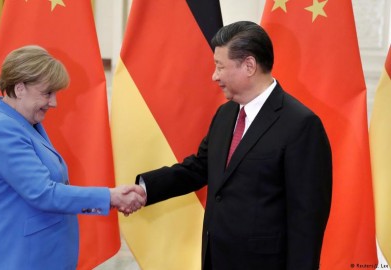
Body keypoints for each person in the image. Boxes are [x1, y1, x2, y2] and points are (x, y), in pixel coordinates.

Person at [135, 21, 332, 270]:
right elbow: (199, 168)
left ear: (249, 65)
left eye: (220, 67)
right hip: (216, 258)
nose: (214, 76)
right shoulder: (225, 114)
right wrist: (145, 189)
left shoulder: (301, 124)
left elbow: (307, 219)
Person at [0, 45, 145, 270]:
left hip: (37, 255)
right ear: (20, 88)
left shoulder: (25, 123)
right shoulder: (3, 129)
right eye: (47, 93)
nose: (54, 102)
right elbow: (43, 192)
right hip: (13, 257)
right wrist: (110, 197)